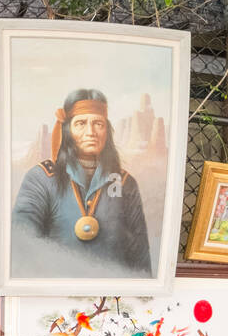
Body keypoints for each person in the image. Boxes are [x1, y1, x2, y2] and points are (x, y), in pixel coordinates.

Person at [12, 88, 152, 277]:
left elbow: (140, 255)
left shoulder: (125, 183)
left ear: (107, 131)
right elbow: (23, 246)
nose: (91, 132)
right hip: (54, 288)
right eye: (80, 123)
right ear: (67, 130)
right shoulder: (41, 178)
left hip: (113, 290)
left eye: (98, 124)